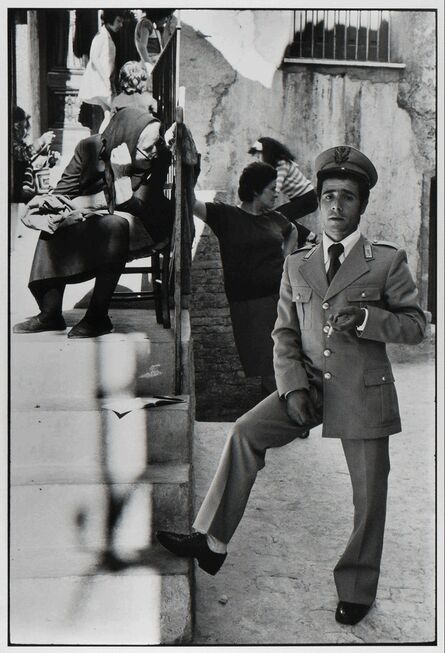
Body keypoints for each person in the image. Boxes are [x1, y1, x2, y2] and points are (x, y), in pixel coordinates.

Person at [157, 145, 426, 626]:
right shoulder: (298, 262)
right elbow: (283, 332)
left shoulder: (386, 261)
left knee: (369, 495)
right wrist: (292, 387)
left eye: (347, 196)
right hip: (309, 383)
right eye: (328, 197)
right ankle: (211, 539)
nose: (336, 206)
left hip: (363, 390)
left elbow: (414, 326)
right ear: (318, 203)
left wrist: (367, 317)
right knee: (244, 431)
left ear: (361, 205)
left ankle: (357, 587)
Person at [13, 107, 173, 339]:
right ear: (126, 143)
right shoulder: (88, 148)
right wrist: (92, 204)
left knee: (115, 225)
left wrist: (122, 177)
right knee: (54, 220)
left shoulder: (159, 159)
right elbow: (61, 195)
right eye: (148, 148)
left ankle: (98, 316)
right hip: (92, 220)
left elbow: (145, 209)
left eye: (157, 144)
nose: (156, 152)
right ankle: (50, 313)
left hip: (142, 225)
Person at [190, 161, 310, 397]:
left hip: (281, 299)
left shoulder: (275, 218)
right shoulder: (225, 215)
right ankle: (285, 413)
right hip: (248, 305)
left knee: (286, 358)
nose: (277, 193)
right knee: (266, 363)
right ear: (256, 190)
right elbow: (191, 203)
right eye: (272, 188)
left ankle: (287, 411)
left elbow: (293, 231)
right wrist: (190, 168)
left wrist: (286, 257)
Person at [249, 137, 318, 229]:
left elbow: (276, 187)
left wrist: (263, 204)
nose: (258, 159)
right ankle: (308, 237)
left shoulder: (282, 164)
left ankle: (310, 237)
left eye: (259, 155)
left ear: (267, 153)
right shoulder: (274, 166)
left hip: (307, 198)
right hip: (299, 199)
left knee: (277, 217)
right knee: (280, 217)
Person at [77, 9, 126, 133]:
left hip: (105, 81)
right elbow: (93, 57)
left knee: (109, 114)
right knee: (117, 109)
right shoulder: (101, 35)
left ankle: (103, 143)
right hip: (101, 82)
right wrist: (105, 79)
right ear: (110, 20)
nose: (121, 25)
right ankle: (103, 142)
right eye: (118, 21)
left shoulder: (107, 35)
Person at [12, 105, 56, 203]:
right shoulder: (8, 143)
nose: (26, 133)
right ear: (16, 126)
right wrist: (41, 141)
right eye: (24, 128)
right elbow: (23, 154)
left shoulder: (18, 142)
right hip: (19, 190)